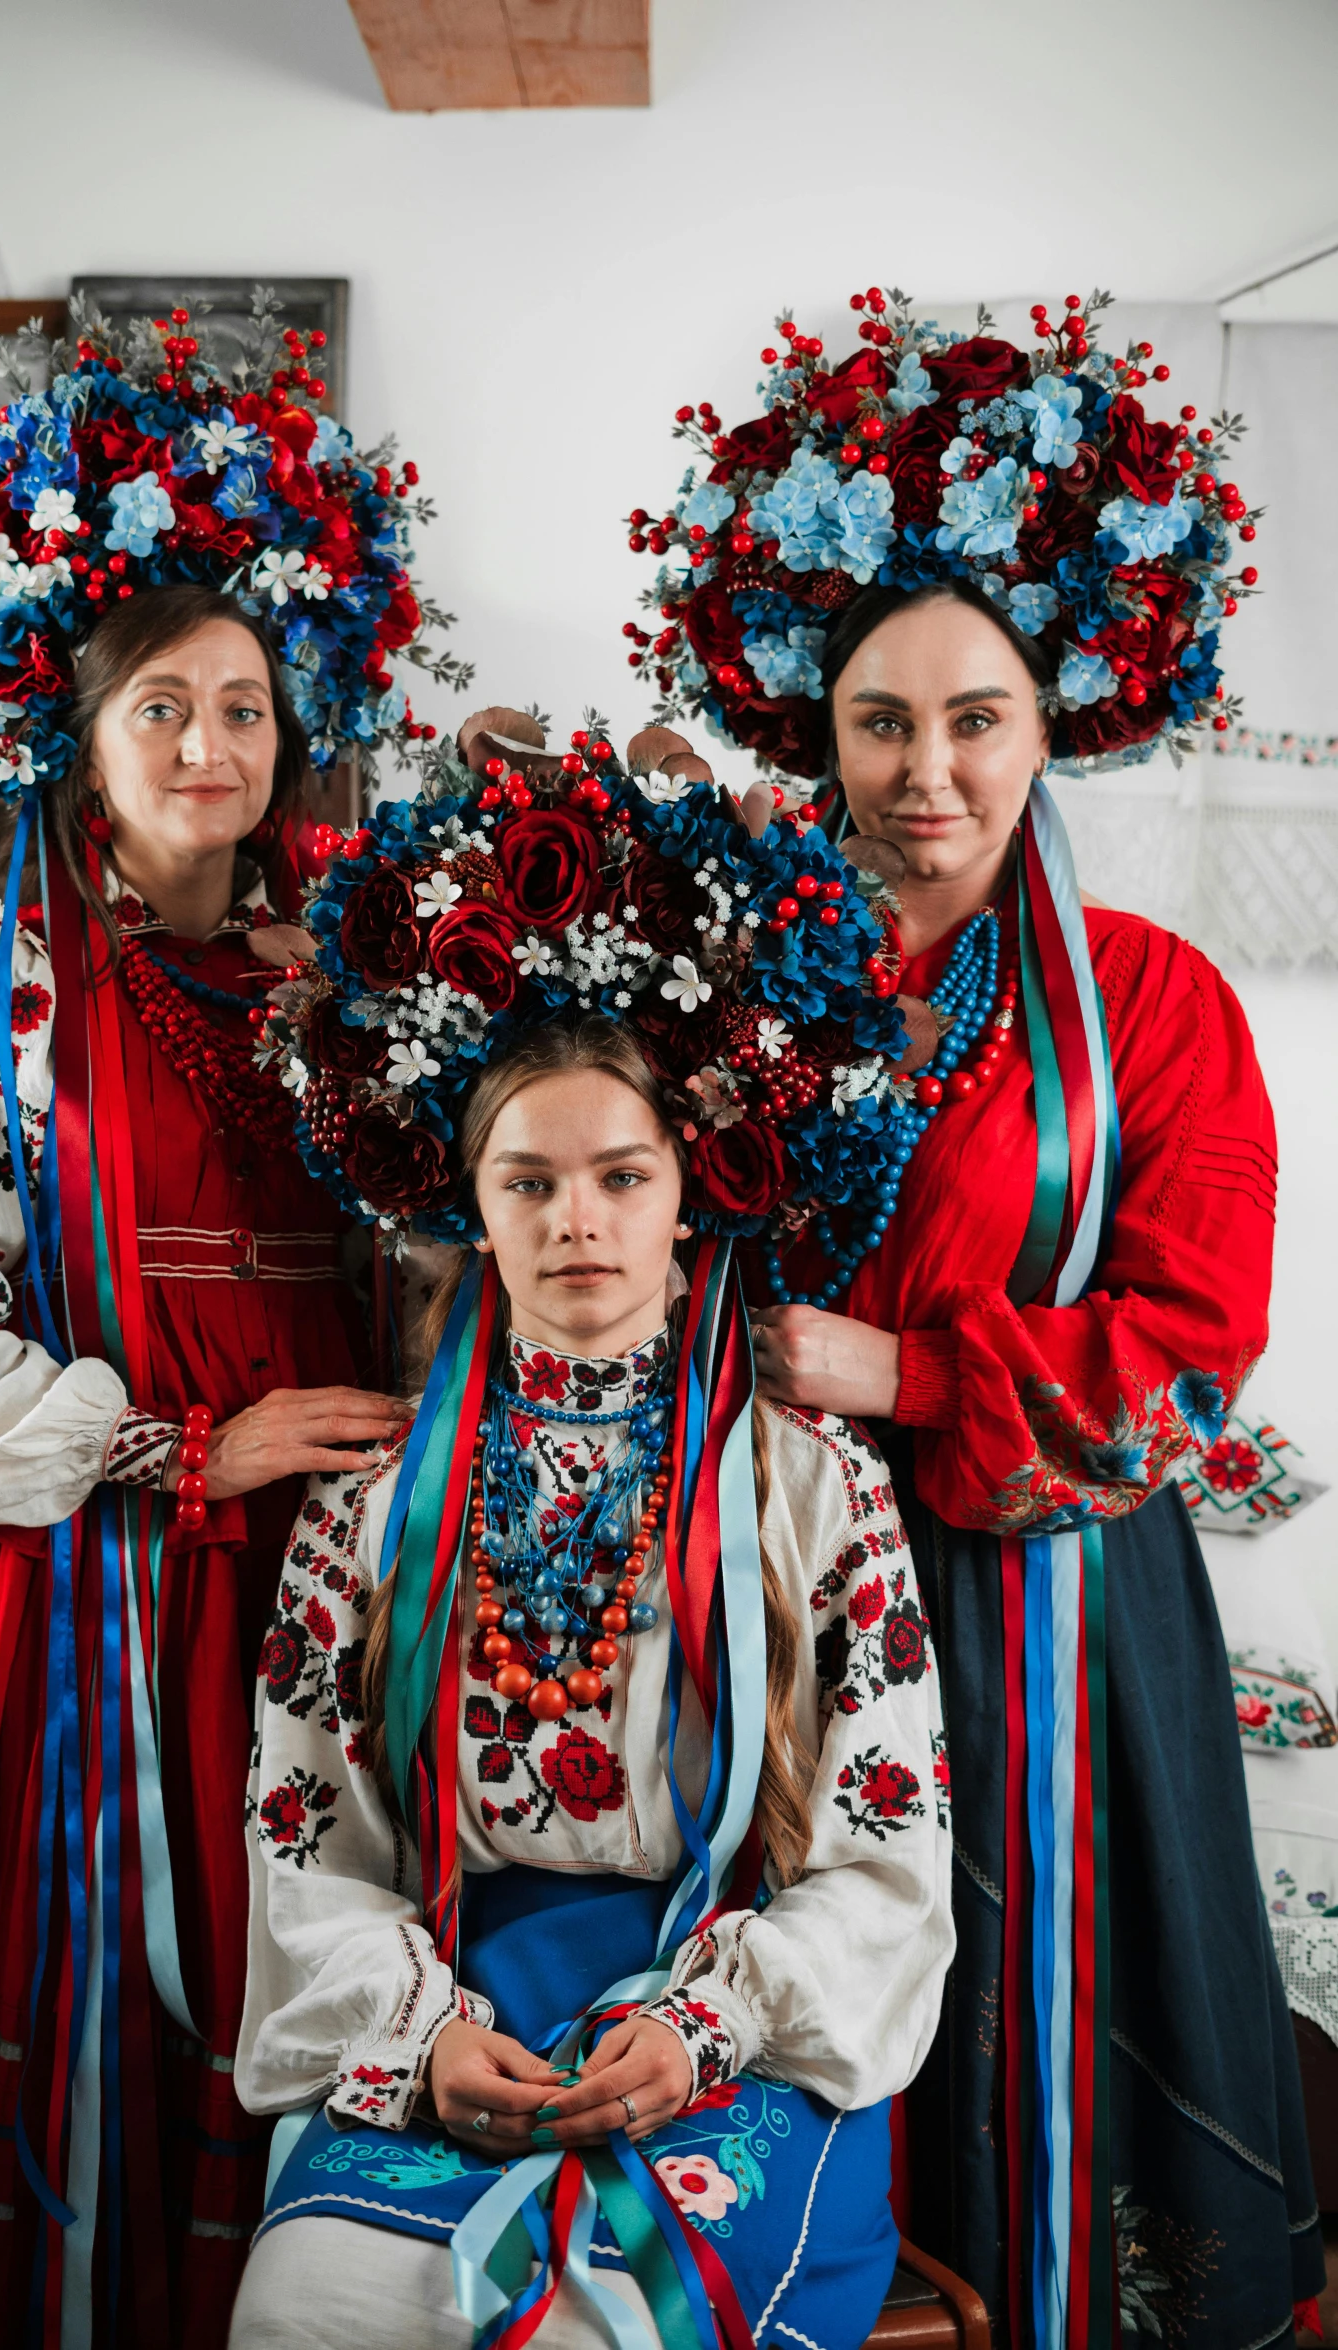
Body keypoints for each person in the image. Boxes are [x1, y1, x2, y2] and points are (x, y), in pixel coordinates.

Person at [625, 294, 1322, 2343]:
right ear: (812, 722)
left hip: (1056, 1616)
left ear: (1060, 717)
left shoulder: (1162, 1002)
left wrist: (914, 1372)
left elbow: (1194, 1354)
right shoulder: (704, 967)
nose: (928, 774)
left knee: (1049, 2015)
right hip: (750, 1587)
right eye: (879, 720)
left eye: (979, 717)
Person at [0, 300, 459, 2348]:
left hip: (330, 1589)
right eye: (165, 708)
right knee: (122, 2004)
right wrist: (192, 1445)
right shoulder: (0, 1000)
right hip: (101, 1612)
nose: (216, 746)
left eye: (250, 706)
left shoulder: (348, 987)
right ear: (77, 742)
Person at [228, 713, 954, 2349]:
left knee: (599, 2316)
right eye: (527, 1179)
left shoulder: (810, 1484)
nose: (577, 1221)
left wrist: (711, 2019)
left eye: (620, 1176)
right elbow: (306, 1841)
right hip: (453, 2008)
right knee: (317, 2302)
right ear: (461, 1206)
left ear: (689, 1189)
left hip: (730, 2032)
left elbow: (886, 1855)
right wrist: (414, 2037)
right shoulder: (368, 1511)